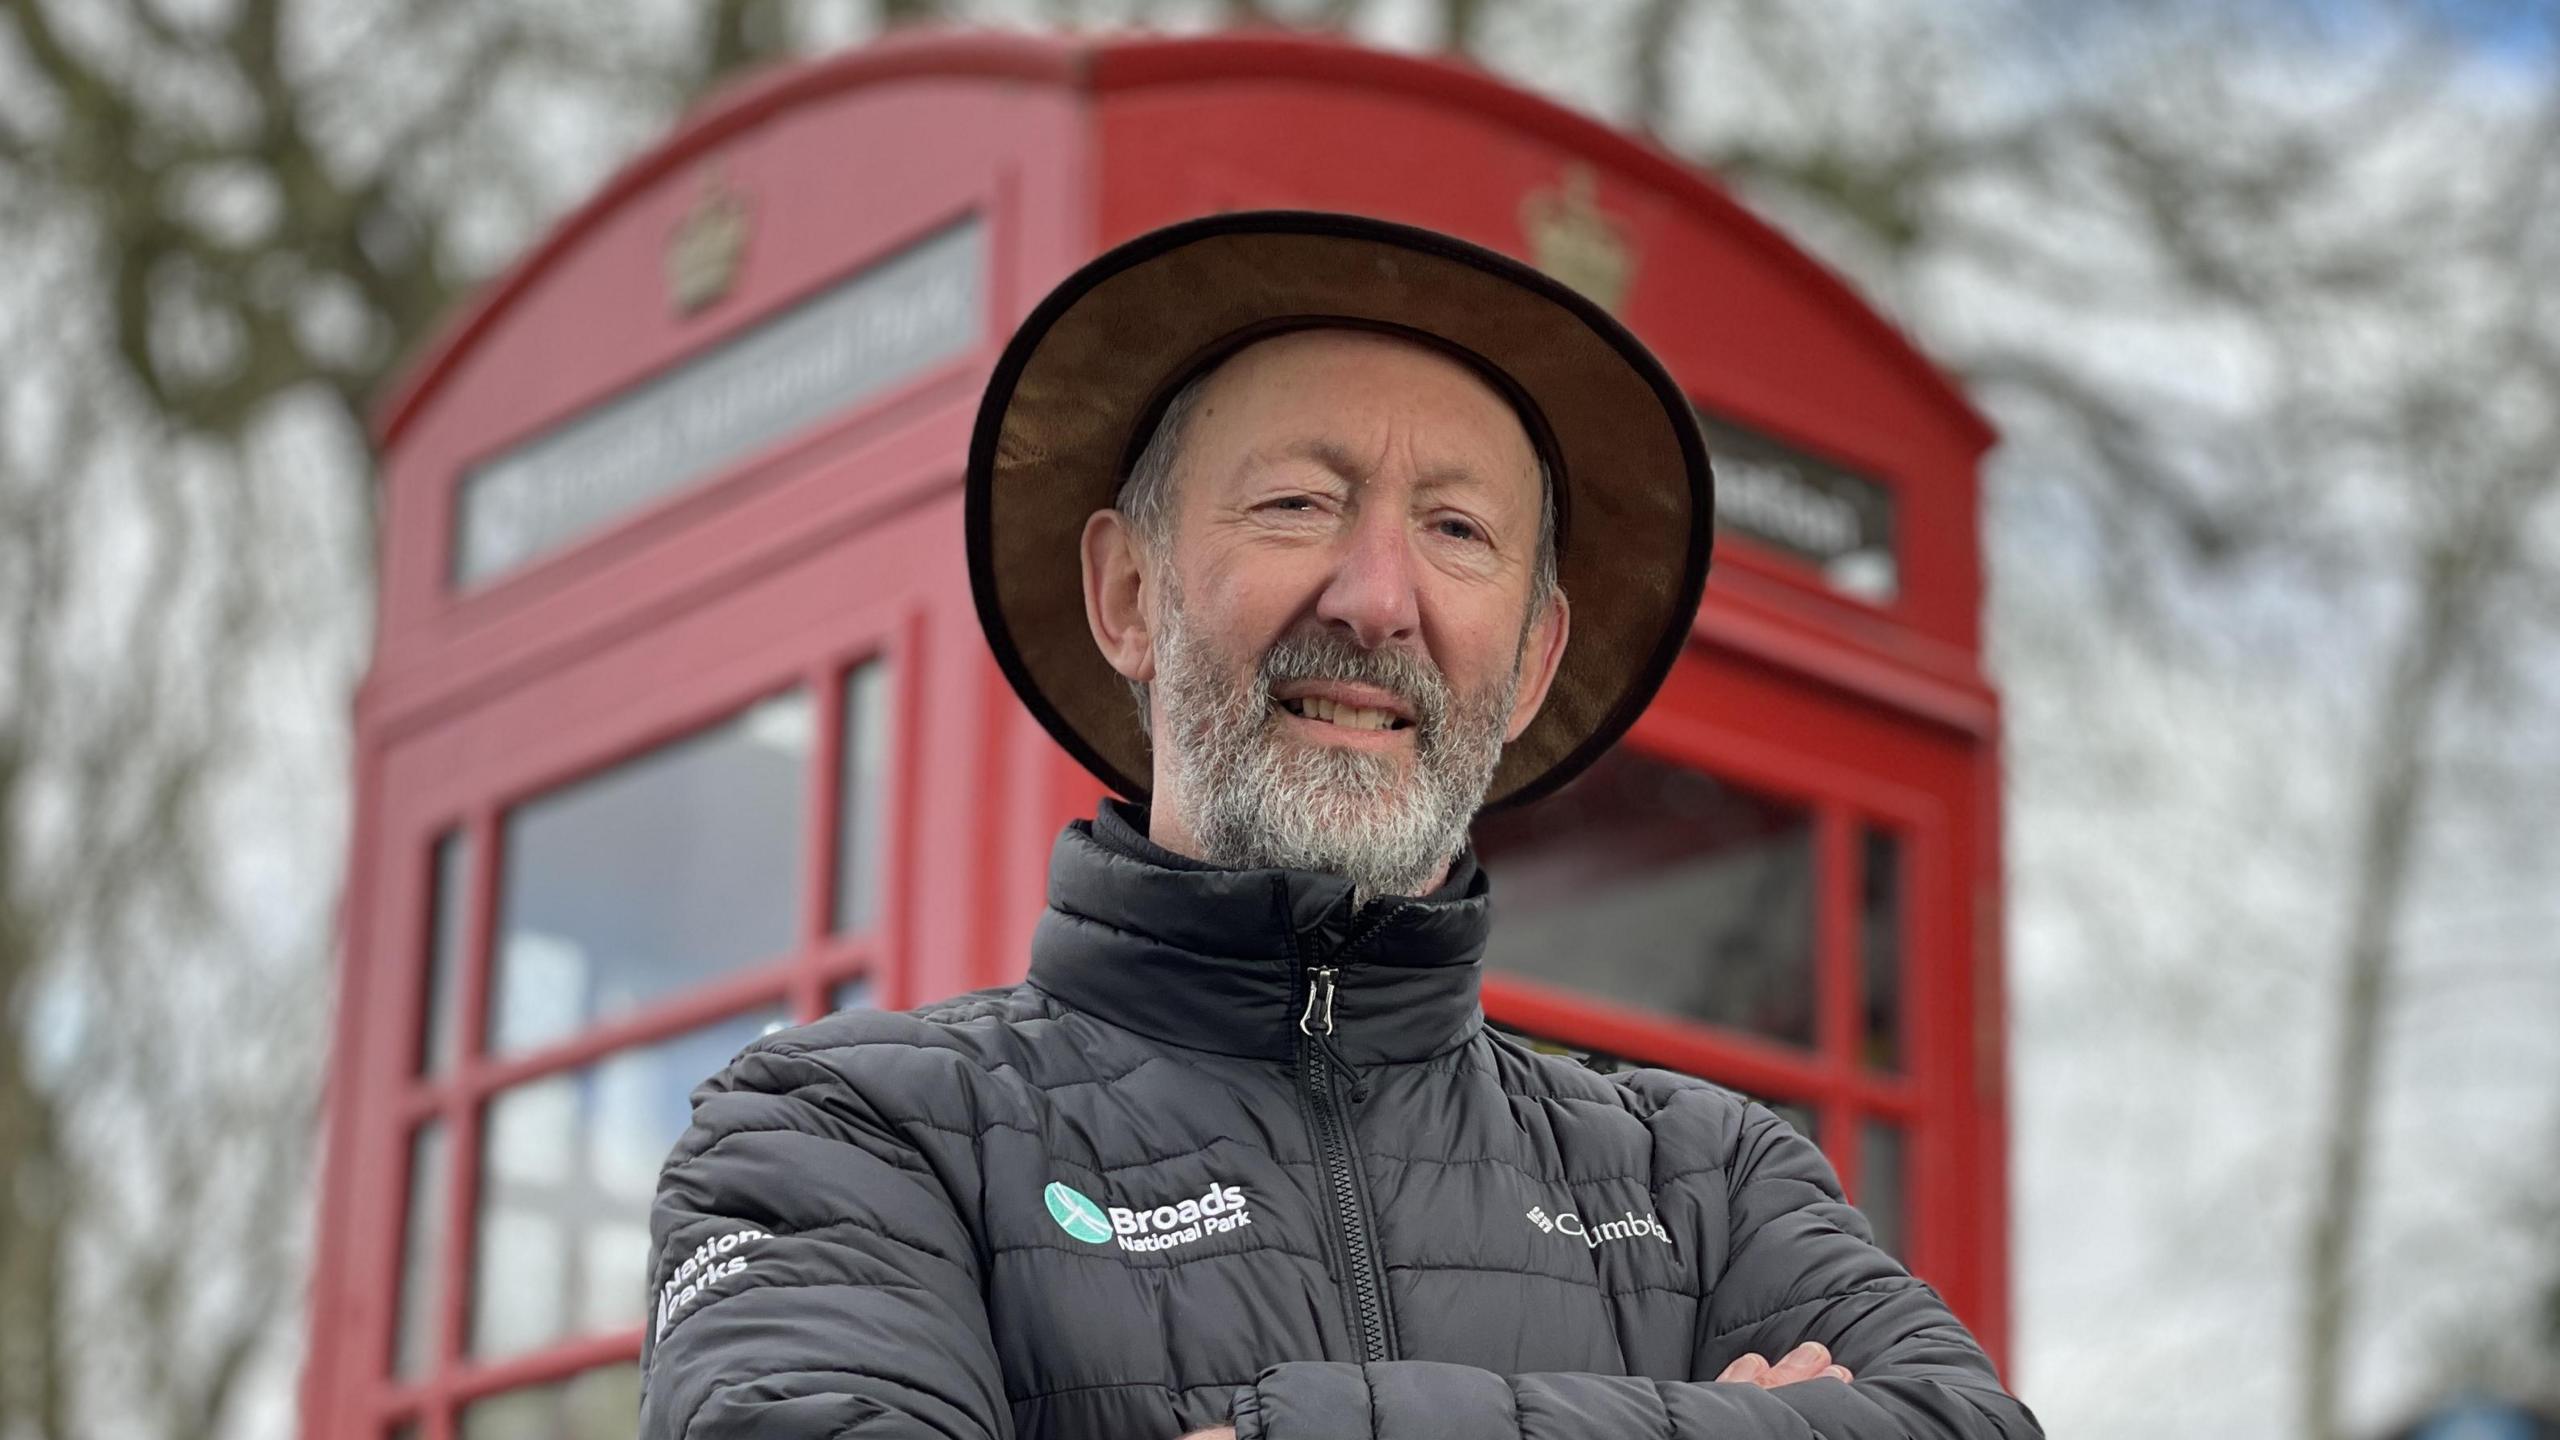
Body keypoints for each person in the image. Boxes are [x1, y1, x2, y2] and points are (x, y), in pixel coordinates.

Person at [637, 212, 2040, 1440]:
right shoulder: (844, 1135)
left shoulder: (1710, 1178)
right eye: (1299, 503)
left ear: (1534, 659)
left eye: (1456, 531)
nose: (1376, 597)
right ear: (1130, 595)